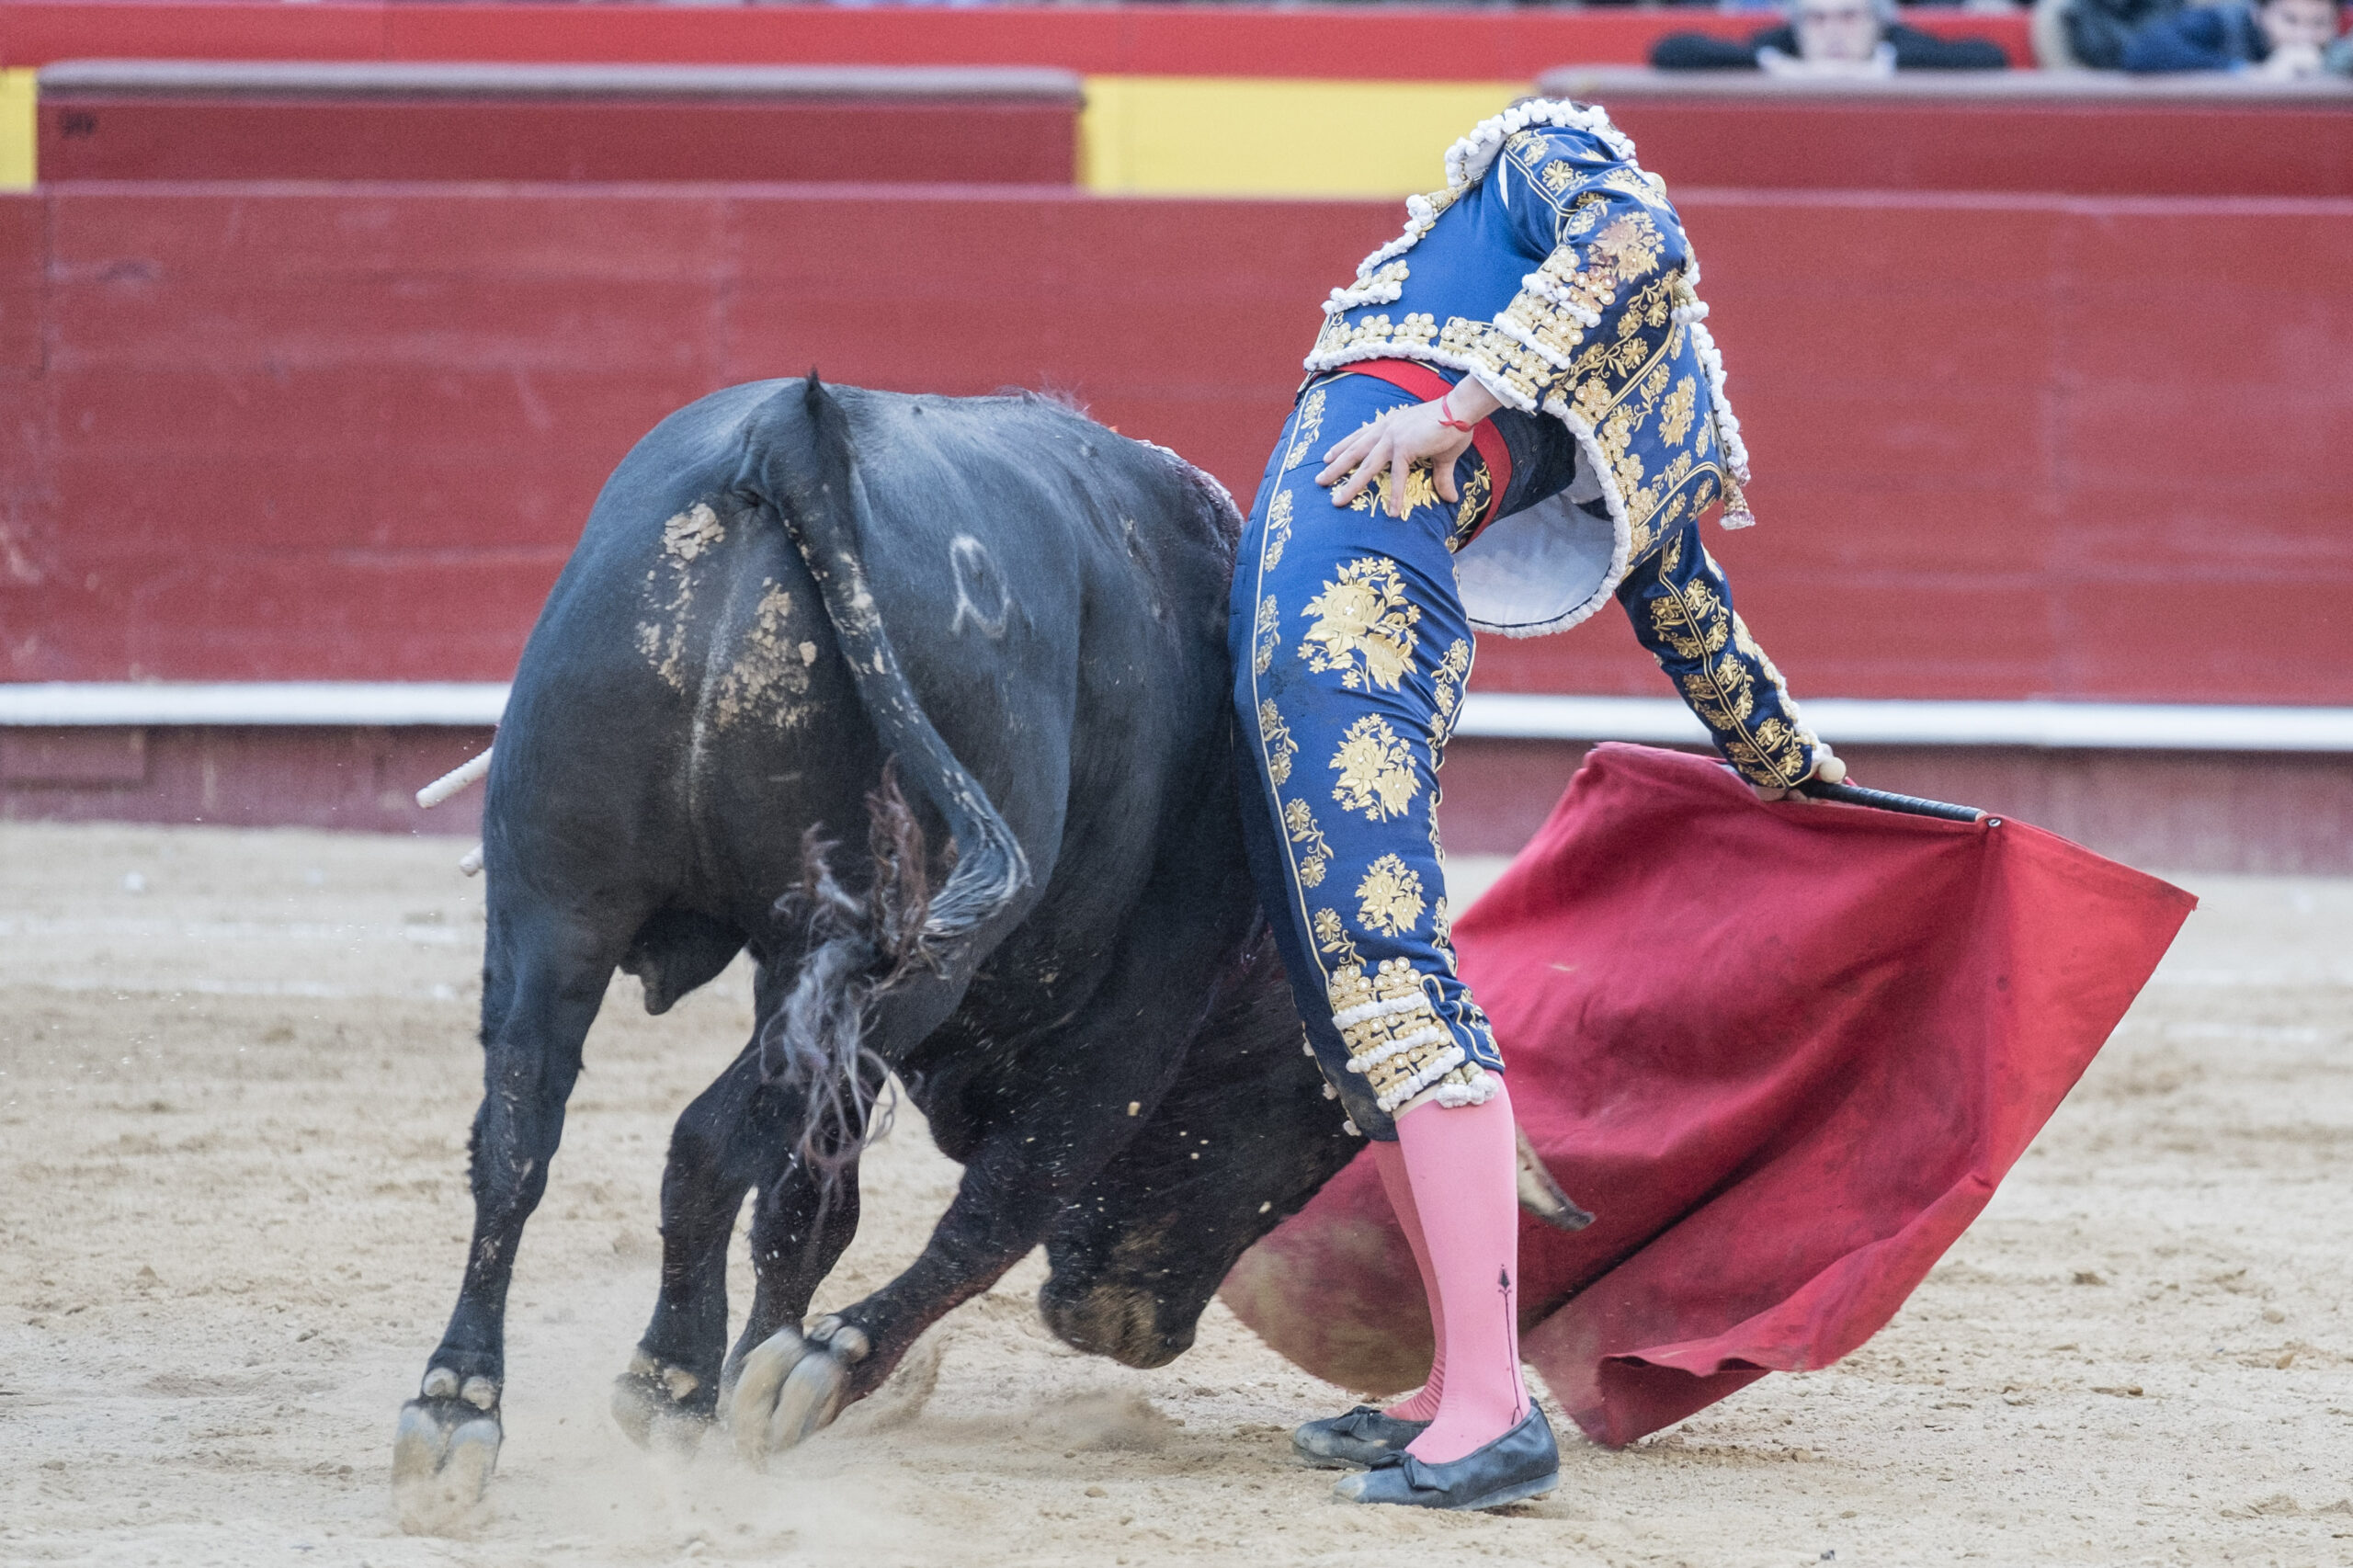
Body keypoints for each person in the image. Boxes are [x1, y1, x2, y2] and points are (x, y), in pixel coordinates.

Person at [1231, 97, 1843, 1511]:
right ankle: (1461, 1378)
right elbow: (1708, 646)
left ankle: (1493, 1409)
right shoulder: (1657, 406)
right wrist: (1808, 778)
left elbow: (1637, 234)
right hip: (1331, 592)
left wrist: (1451, 408)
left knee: (1387, 981)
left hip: (1349, 590)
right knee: (1350, 1005)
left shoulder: (1537, 158)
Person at [1652, 0, 2011, 73]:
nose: (1833, 32)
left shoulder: (1899, 43)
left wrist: (1887, 67)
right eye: (1817, 19)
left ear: (1877, 20)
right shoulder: (1780, 45)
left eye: (1850, 16)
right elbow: (1670, 49)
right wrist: (1771, 65)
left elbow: (1991, 55)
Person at [2120, 0, 2347, 72]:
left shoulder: (2340, 52)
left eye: (2319, 23)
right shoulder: (2222, 23)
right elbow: (2144, 51)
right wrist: (2244, 71)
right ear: (2259, 15)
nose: (2303, 35)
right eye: (2290, 20)